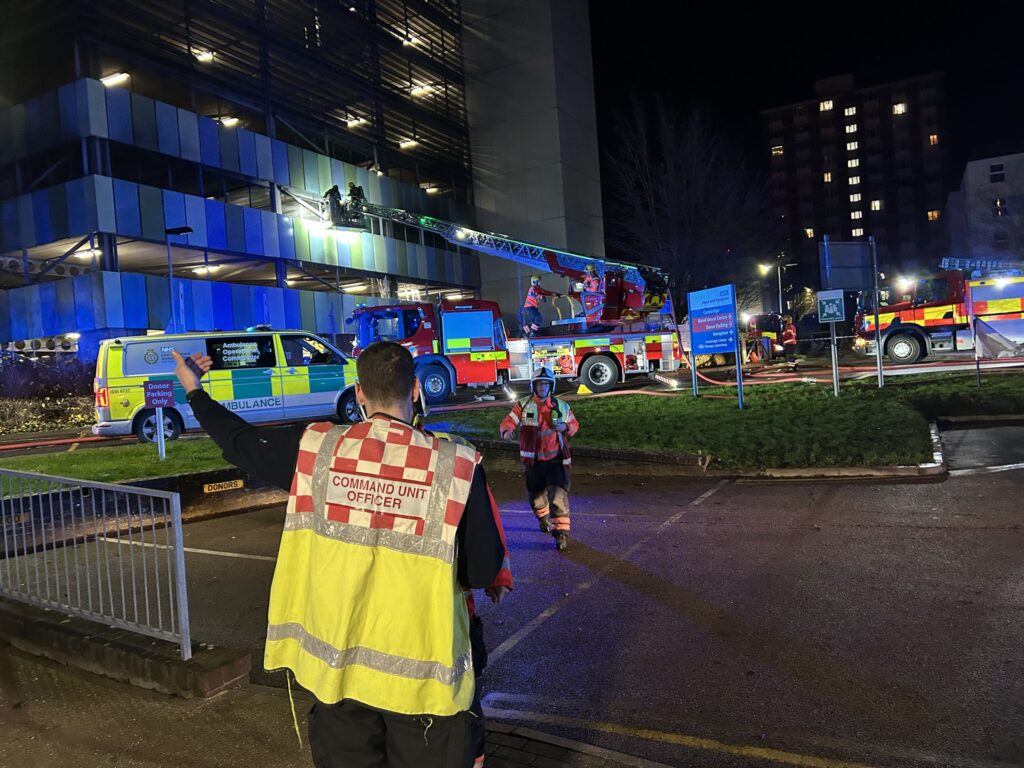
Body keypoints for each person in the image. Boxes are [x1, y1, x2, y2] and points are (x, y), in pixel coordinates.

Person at [169, 341, 505, 768]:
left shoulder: (316, 452)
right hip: (426, 687)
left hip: (339, 674)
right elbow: (482, 570)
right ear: (417, 389)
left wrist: (194, 392)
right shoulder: (455, 465)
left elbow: (239, 441)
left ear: (360, 394)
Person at [499, 366, 579, 552]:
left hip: (556, 460)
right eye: (539, 384)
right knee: (535, 497)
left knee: (558, 496)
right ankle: (543, 519)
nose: (542, 387)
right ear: (533, 386)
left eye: (545, 384)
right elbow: (508, 421)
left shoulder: (561, 406)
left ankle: (561, 535)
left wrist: (566, 428)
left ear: (551, 386)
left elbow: (574, 425)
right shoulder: (524, 405)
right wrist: (506, 431)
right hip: (533, 462)